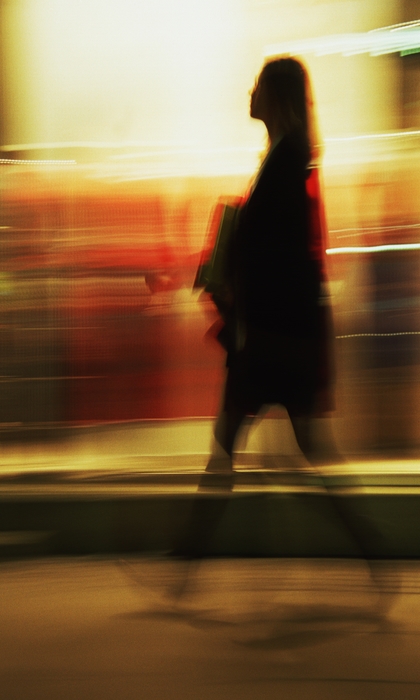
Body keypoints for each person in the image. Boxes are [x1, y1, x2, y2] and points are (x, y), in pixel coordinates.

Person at [207, 56, 333, 473]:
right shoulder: (284, 160)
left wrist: (231, 266)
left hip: (270, 340)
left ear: (275, 96)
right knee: (305, 448)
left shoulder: (286, 165)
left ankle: (369, 537)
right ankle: (367, 536)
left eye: (257, 84)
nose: (250, 92)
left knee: (226, 448)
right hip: (275, 338)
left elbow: (283, 254)